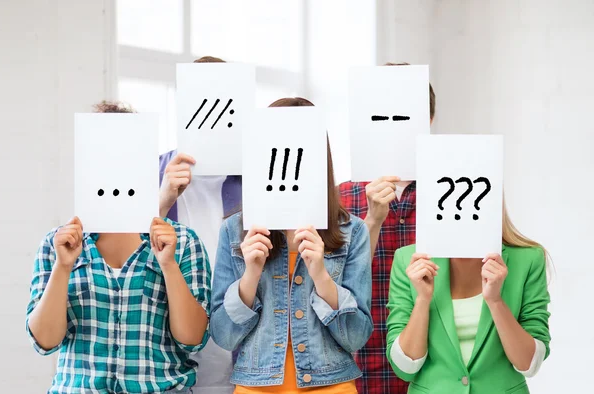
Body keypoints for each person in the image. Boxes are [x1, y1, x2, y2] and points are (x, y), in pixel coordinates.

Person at [26, 101, 211, 394]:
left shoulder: (183, 242)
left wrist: (169, 265)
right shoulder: (56, 244)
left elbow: (192, 338)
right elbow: (45, 341)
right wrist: (62, 267)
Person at [210, 97, 373, 393]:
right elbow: (223, 335)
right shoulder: (234, 231)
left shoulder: (353, 231)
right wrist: (250, 275)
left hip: (332, 385)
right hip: (256, 387)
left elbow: (357, 337)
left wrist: (321, 276)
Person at [338, 62, 436, 394]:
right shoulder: (339, 199)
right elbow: (329, 290)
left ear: (428, 121)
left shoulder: (449, 195)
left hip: (435, 373)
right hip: (358, 372)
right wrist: (372, 221)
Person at [386, 203, 551, 393]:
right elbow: (405, 368)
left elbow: (528, 364)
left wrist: (495, 301)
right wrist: (422, 300)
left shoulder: (528, 259)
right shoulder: (408, 259)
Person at [159, 55, 242, 394]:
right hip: (169, 363)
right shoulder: (152, 173)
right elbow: (120, 258)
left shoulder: (257, 181)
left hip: (242, 361)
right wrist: (162, 200)